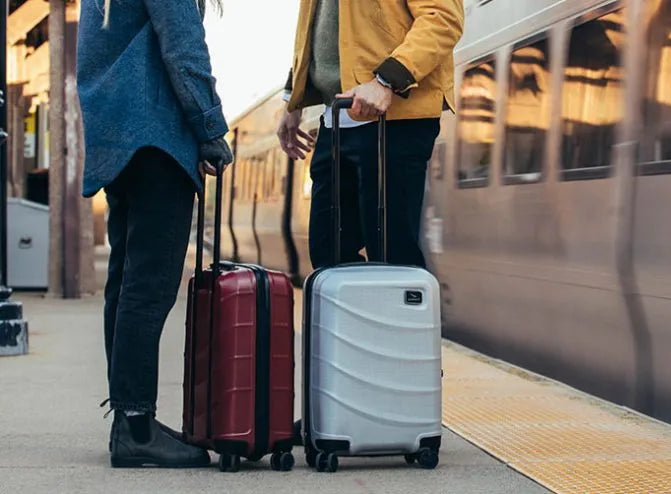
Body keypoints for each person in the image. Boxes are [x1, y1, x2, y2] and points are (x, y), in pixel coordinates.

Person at [77, 0, 233, 468]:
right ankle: (135, 427)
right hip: (157, 137)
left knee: (126, 284)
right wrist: (210, 128)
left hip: (119, 137)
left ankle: (130, 418)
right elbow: (184, 48)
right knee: (148, 288)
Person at [277, 0, 464, 269]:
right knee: (328, 255)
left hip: (395, 118)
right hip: (337, 117)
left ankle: (398, 298)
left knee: (391, 256)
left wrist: (386, 81)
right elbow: (315, 32)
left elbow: (442, 18)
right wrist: (293, 98)